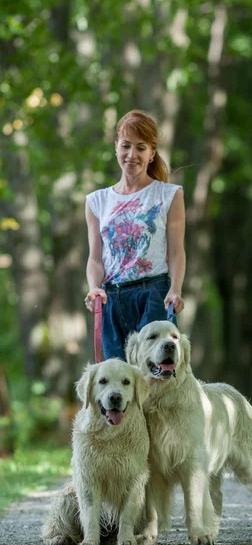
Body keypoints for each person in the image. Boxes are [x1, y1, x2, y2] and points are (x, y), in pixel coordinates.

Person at [84, 109, 185, 360]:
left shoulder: (169, 195)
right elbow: (96, 258)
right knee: (117, 378)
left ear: (152, 153)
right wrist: (94, 288)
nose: (132, 155)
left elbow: (176, 251)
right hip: (112, 298)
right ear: (116, 147)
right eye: (126, 146)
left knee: (153, 374)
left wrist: (175, 289)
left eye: (141, 148)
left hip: (153, 294)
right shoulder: (97, 201)